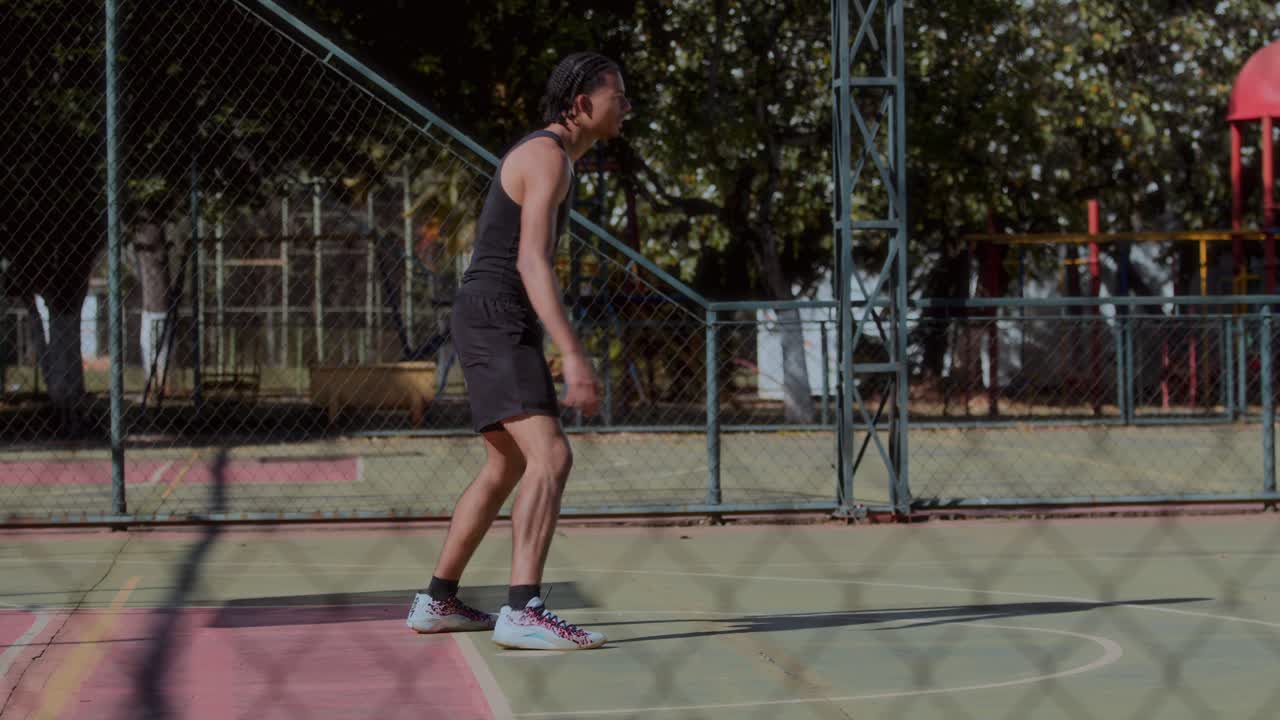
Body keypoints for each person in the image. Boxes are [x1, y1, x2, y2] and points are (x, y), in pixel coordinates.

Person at [405, 52, 631, 650]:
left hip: (494, 317)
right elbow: (531, 260)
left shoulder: (555, 158)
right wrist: (574, 354)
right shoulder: (546, 156)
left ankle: (438, 598)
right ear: (582, 104)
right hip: (496, 317)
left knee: (506, 464)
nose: (627, 106)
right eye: (619, 95)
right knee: (551, 457)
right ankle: (523, 610)